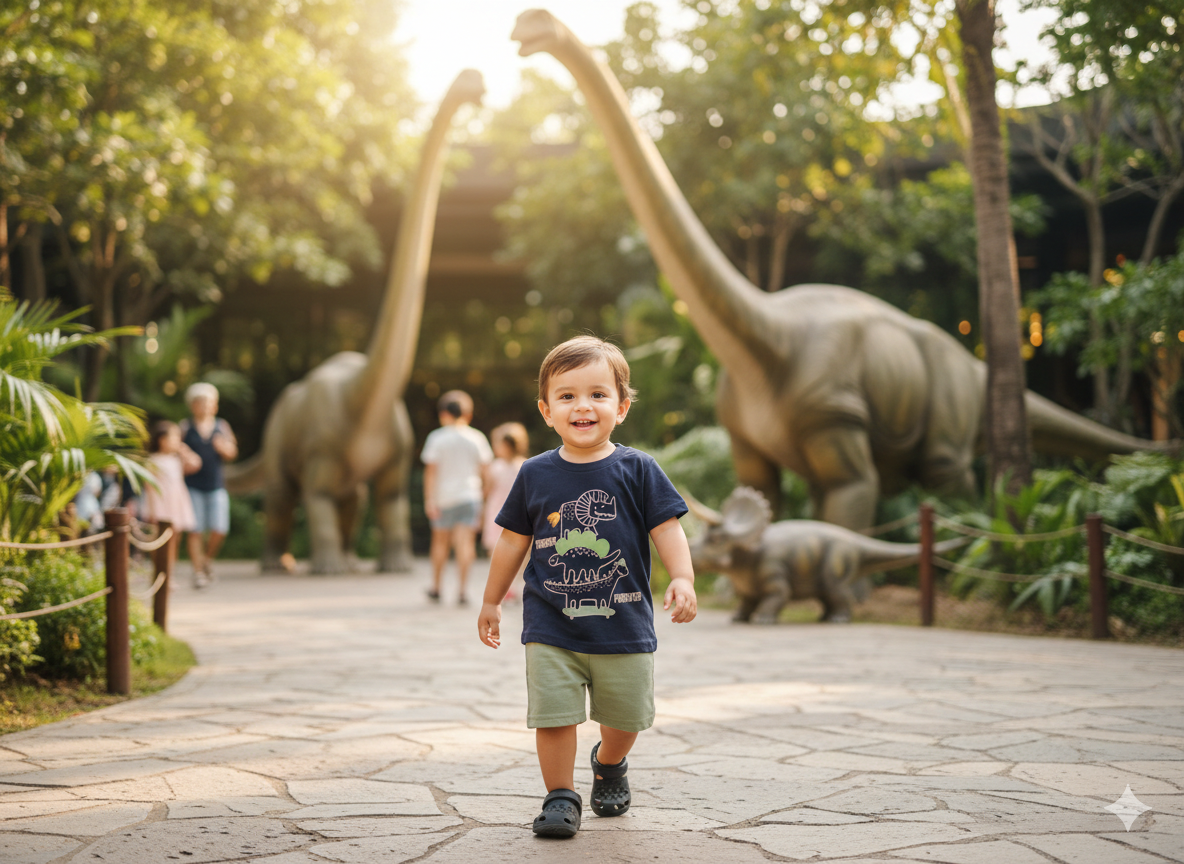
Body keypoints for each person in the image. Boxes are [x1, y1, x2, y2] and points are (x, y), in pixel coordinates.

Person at [477, 335, 697, 838]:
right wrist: (491, 599)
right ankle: (560, 795)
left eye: (598, 394)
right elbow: (512, 543)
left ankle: (610, 760)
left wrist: (682, 577)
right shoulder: (534, 474)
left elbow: (667, 528)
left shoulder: (637, 468)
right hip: (551, 623)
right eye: (568, 395)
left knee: (628, 718)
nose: (583, 406)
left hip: (624, 623)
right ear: (546, 410)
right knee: (554, 715)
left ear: (620, 407)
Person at [421, 390, 493, 605]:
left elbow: (431, 473)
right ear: (468, 414)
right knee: (465, 545)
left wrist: (429, 500)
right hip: (469, 497)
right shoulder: (476, 438)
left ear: (443, 414)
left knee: (440, 544)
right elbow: (487, 474)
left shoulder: (436, 438)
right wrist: (483, 497)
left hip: (443, 499)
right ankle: (462, 591)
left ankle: (436, 587)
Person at [181, 382, 238, 589]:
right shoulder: (185, 427)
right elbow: (173, 449)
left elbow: (233, 452)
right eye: (200, 402)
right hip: (192, 487)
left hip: (216, 486)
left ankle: (206, 560)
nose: (205, 406)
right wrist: (185, 458)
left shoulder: (221, 426)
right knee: (195, 531)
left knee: (220, 528)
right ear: (193, 405)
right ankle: (198, 572)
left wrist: (223, 448)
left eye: (209, 402)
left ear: (215, 405)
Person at [141, 421, 200, 576]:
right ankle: (158, 571)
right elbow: (149, 487)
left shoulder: (176, 459)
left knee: (175, 540)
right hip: (160, 504)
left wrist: (184, 451)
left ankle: (169, 573)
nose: (178, 441)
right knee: (159, 539)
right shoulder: (152, 460)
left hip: (176, 503)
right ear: (162, 439)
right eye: (174, 438)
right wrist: (153, 510)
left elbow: (196, 464)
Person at [482, 422, 529, 602]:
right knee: (514, 553)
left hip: (499, 513)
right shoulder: (524, 465)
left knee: (501, 552)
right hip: (507, 514)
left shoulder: (497, 467)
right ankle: (510, 588)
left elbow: (487, 491)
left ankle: (508, 588)